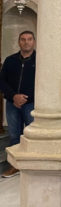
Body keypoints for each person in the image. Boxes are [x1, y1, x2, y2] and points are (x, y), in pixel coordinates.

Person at [0, 30, 36, 178]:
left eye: (29, 39)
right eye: (23, 39)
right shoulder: (10, 60)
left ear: (34, 42)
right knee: (14, 135)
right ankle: (15, 166)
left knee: (33, 136)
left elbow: (43, 83)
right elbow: (2, 81)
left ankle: (32, 166)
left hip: (31, 104)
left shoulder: (40, 60)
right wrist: (14, 96)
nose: (26, 42)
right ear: (19, 42)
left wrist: (26, 98)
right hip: (12, 104)